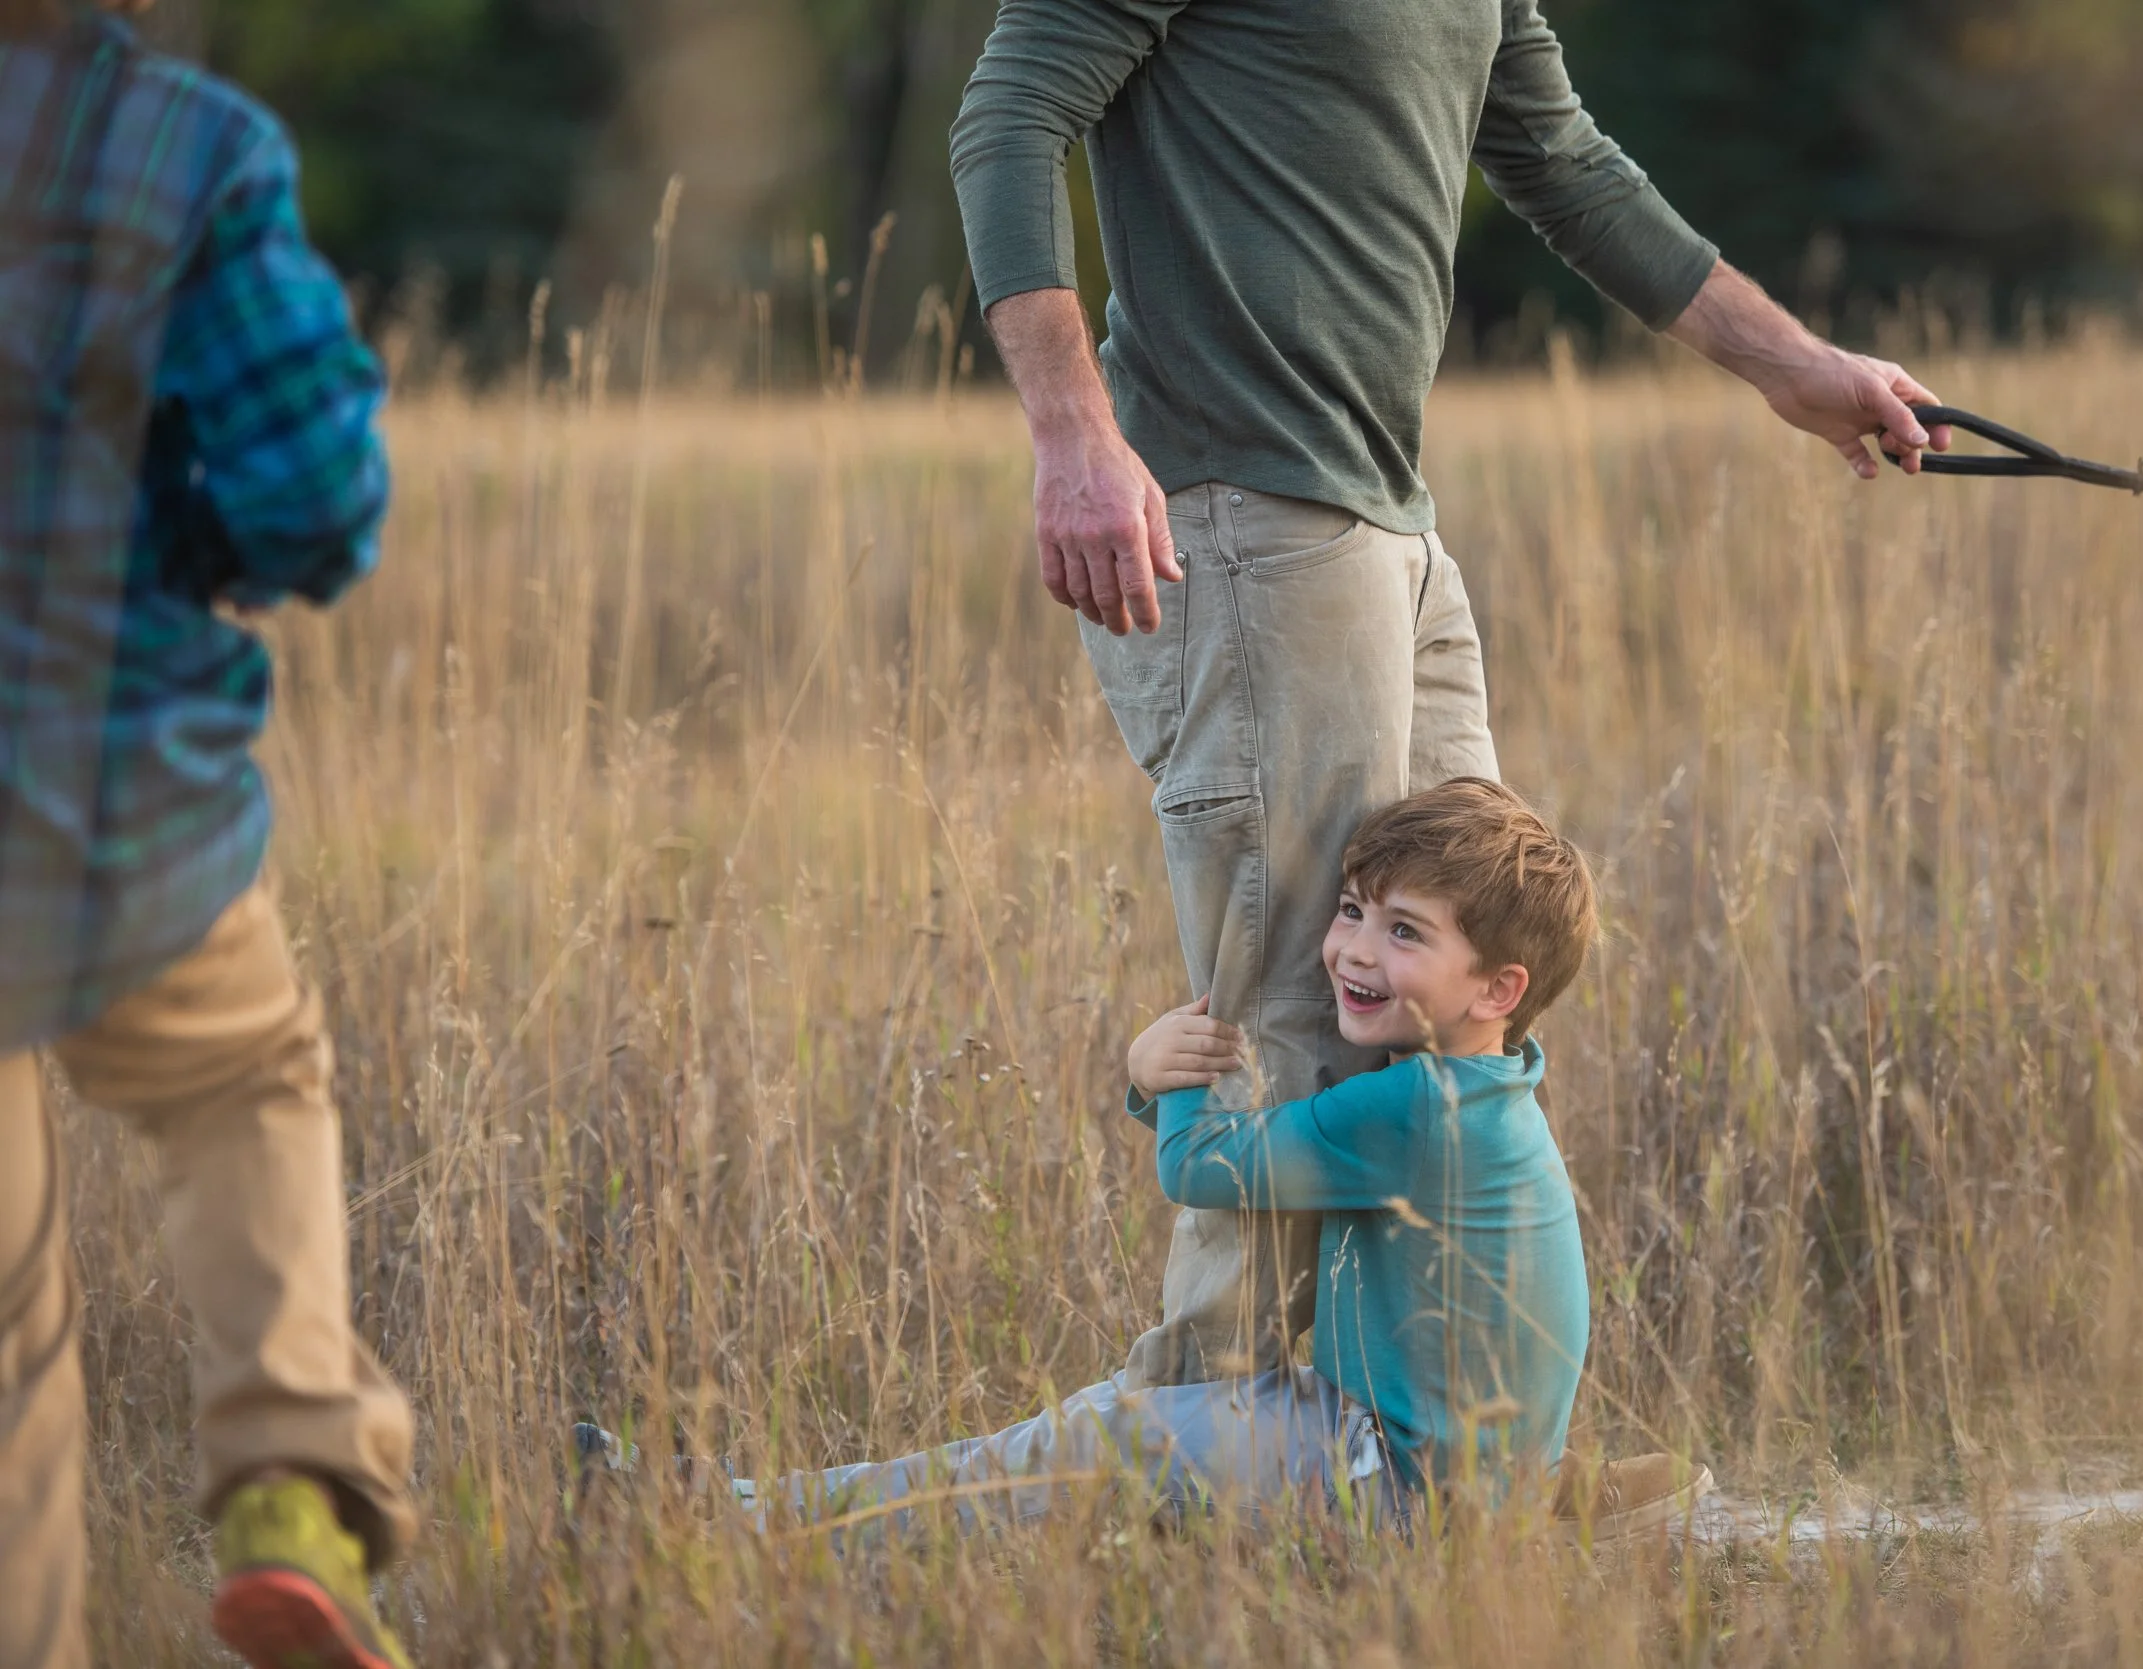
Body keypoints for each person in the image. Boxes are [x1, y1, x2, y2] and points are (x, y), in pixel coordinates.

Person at [947, 0, 1945, 1528]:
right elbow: (1006, 117)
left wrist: (1790, 362)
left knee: (1473, 981)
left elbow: (1561, 156)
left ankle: (1465, 1452)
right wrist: (1074, 431)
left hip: (1391, 524)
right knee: (1295, 1004)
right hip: (1236, 509)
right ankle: (1188, 1475)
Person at [645, 780, 1609, 1535]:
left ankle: (748, 1519)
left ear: (1497, 988)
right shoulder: (1488, 1085)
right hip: (1438, 1473)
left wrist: (1163, 1073)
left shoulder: (1419, 1108)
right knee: (1088, 1433)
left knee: (1093, 1443)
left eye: (1405, 932)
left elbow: (1205, 1169)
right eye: (1353, 909)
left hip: (1403, 1489)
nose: (1354, 948)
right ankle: (751, 1506)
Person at [0, 6, 416, 1668]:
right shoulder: (181, 149)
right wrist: (206, 539)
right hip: (112, 812)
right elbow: (317, 491)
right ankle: (290, 1479)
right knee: (245, 1075)